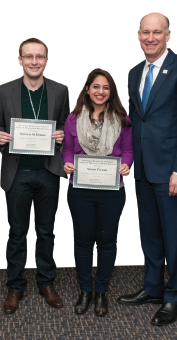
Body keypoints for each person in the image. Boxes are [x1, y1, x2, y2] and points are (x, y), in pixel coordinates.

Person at [117, 13, 177, 326]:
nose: (150, 38)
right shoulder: (134, 72)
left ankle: (175, 295)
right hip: (143, 168)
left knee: (174, 235)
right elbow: (135, 120)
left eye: (157, 32)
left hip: (171, 172)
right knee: (150, 234)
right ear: (138, 35)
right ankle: (153, 288)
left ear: (168, 35)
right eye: (145, 32)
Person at [0, 38, 69, 314]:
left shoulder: (60, 91)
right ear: (20, 59)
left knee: (46, 232)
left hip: (48, 172)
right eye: (29, 57)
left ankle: (46, 283)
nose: (34, 61)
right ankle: (15, 286)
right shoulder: (4, 90)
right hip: (18, 173)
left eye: (40, 57)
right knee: (17, 232)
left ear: (46, 60)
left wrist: (61, 136)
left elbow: (64, 125)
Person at [63, 69, 133, 316]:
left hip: (111, 191)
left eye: (105, 87)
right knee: (82, 241)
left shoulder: (123, 120)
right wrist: (67, 163)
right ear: (87, 89)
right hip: (80, 189)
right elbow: (68, 150)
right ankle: (85, 290)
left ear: (110, 92)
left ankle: (101, 291)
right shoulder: (73, 119)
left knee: (106, 242)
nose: (100, 91)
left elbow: (128, 149)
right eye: (96, 86)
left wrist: (126, 163)